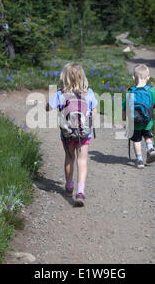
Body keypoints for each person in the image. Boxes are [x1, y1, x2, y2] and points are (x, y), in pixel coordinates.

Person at [46, 63, 98, 206]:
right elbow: (94, 111)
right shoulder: (89, 92)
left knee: (69, 158)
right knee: (82, 161)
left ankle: (69, 187)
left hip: (67, 134)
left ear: (65, 77)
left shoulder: (60, 93)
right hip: (84, 134)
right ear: (82, 77)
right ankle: (80, 192)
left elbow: (47, 108)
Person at [122, 64, 155, 169]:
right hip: (148, 121)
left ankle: (139, 160)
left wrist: (124, 120)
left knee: (137, 140)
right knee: (148, 136)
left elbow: (124, 108)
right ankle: (150, 148)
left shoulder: (130, 91)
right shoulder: (152, 91)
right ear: (148, 77)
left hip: (135, 123)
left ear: (133, 78)